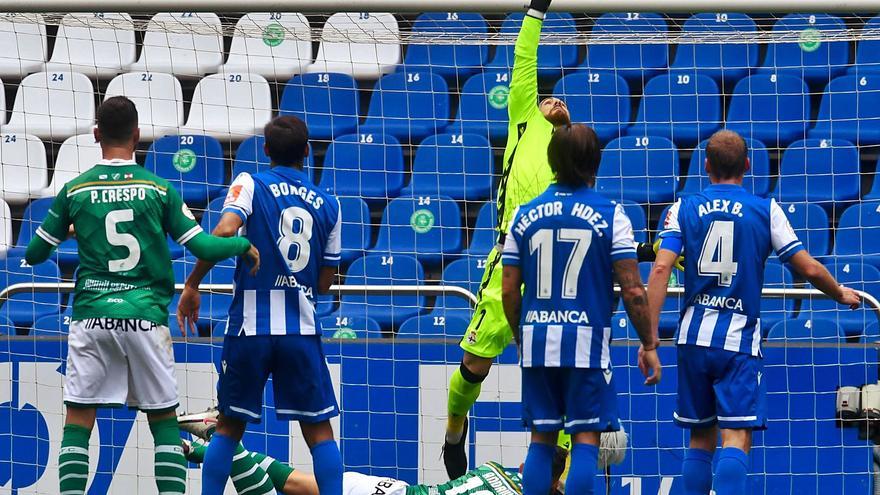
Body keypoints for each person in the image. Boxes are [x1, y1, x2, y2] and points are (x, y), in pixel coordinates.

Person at [23, 96, 259, 495]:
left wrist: (70, 230)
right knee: (164, 422)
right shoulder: (158, 189)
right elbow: (203, 247)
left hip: (91, 316)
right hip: (146, 317)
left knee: (78, 420)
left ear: (96, 135)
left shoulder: (74, 190)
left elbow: (33, 255)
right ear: (137, 135)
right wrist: (241, 247)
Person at [646, 129, 862, 495]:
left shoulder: (683, 207)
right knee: (736, 435)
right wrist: (839, 292)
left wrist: (649, 338)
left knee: (700, 437)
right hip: (738, 342)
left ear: (706, 165)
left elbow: (660, 269)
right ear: (748, 165)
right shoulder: (765, 209)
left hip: (692, 338)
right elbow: (806, 268)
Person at [177, 116, 344, 495]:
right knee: (319, 432)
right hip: (300, 329)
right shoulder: (331, 205)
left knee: (228, 426)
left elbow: (222, 231)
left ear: (266, 151)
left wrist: (193, 282)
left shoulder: (250, 182)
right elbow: (325, 281)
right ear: (307, 152)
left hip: (251, 326)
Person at [441, 0, 572, 478]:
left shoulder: (574, 147)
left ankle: (550, 475)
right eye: (546, 98)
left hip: (558, 272)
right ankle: (454, 431)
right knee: (475, 361)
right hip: (510, 260)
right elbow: (525, 61)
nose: (553, 100)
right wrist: (536, 11)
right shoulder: (525, 119)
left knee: (557, 376)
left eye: (561, 103)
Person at [501, 124, 662, 495]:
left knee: (541, 439)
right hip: (585, 342)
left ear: (551, 160)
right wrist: (649, 344)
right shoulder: (611, 215)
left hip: (537, 339)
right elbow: (633, 290)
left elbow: (509, 290)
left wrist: (520, 335)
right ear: (596, 163)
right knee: (585, 439)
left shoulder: (524, 216)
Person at [179, 409, 569, 495]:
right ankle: (221, 445)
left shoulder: (499, 468)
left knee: (296, 482)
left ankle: (207, 447)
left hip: (395, 489)